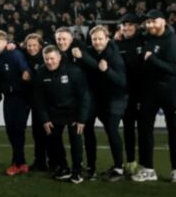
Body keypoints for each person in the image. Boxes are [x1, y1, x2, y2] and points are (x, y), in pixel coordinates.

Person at [133, 10, 176, 184]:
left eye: (153, 22)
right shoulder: (148, 37)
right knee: (144, 128)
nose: (149, 26)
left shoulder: (173, 41)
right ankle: (148, 169)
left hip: (171, 92)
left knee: (174, 130)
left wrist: (153, 59)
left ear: (163, 21)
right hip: (150, 91)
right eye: (147, 22)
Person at [72, 25, 128, 181]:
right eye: (94, 39)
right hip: (96, 97)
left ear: (107, 39)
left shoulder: (113, 55)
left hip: (115, 98)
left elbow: (122, 82)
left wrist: (107, 70)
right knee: (88, 129)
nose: (97, 42)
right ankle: (91, 167)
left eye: (100, 39)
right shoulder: (90, 51)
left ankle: (119, 168)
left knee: (111, 129)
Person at [33, 45, 91, 184]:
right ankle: (63, 167)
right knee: (53, 139)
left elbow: (84, 96)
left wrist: (81, 119)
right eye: (46, 59)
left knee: (75, 140)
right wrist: (45, 119)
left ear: (59, 57)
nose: (49, 62)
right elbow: (39, 99)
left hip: (73, 112)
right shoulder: (41, 72)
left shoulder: (73, 71)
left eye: (52, 58)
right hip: (54, 112)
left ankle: (77, 171)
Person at [0, 30, 32, 176]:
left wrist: (24, 75)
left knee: (17, 130)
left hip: (21, 97)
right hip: (9, 98)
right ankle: (22, 162)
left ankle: (16, 164)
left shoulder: (15, 54)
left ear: (6, 43)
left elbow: (26, 71)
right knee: (11, 130)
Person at [114, 12, 145, 175]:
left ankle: (146, 163)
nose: (126, 28)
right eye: (123, 25)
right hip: (125, 94)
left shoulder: (144, 40)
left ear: (136, 26)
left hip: (143, 94)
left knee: (144, 130)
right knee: (127, 129)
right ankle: (131, 161)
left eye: (129, 25)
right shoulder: (117, 44)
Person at [21, 33, 49, 171]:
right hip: (33, 101)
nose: (31, 48)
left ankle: (54, 162)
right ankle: (40, 161)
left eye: (34, 45)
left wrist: (30, 77)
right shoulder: (25, 57)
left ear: (40, 46)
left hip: (46, 103)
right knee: (37, 133)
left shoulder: (45, 59)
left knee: (47, 132)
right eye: (29, 45)